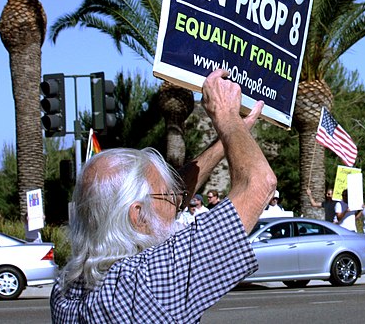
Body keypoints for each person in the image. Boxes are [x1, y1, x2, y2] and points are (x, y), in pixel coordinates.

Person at [50, 69, 276, 323]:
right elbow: (259, 184)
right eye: (167, 196)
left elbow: (175, 194)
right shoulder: (149, 282)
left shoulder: (65, 288)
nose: (178, 200)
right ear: (139, 216)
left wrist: (230, 138)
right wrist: (226, 116)